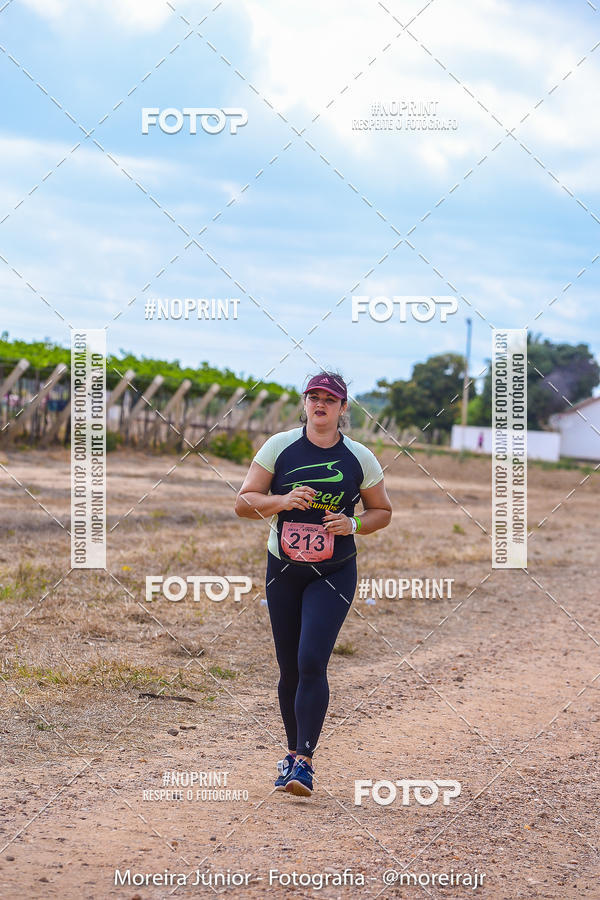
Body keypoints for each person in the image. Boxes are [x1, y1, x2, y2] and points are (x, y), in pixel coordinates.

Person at [234, 371, 392, 797]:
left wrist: (353, 522)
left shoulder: (360, 457)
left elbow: (382, 511)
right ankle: (291, 754)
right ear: (304, 403)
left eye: (330, 399)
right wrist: (282, 502)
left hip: (334, 572)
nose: (320, 404)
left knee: (310, 661)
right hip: (283, 569)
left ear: (343, 409)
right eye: (313, 396)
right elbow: (244, 503)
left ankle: (303, 761)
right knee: (288, 668)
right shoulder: (279, 447)